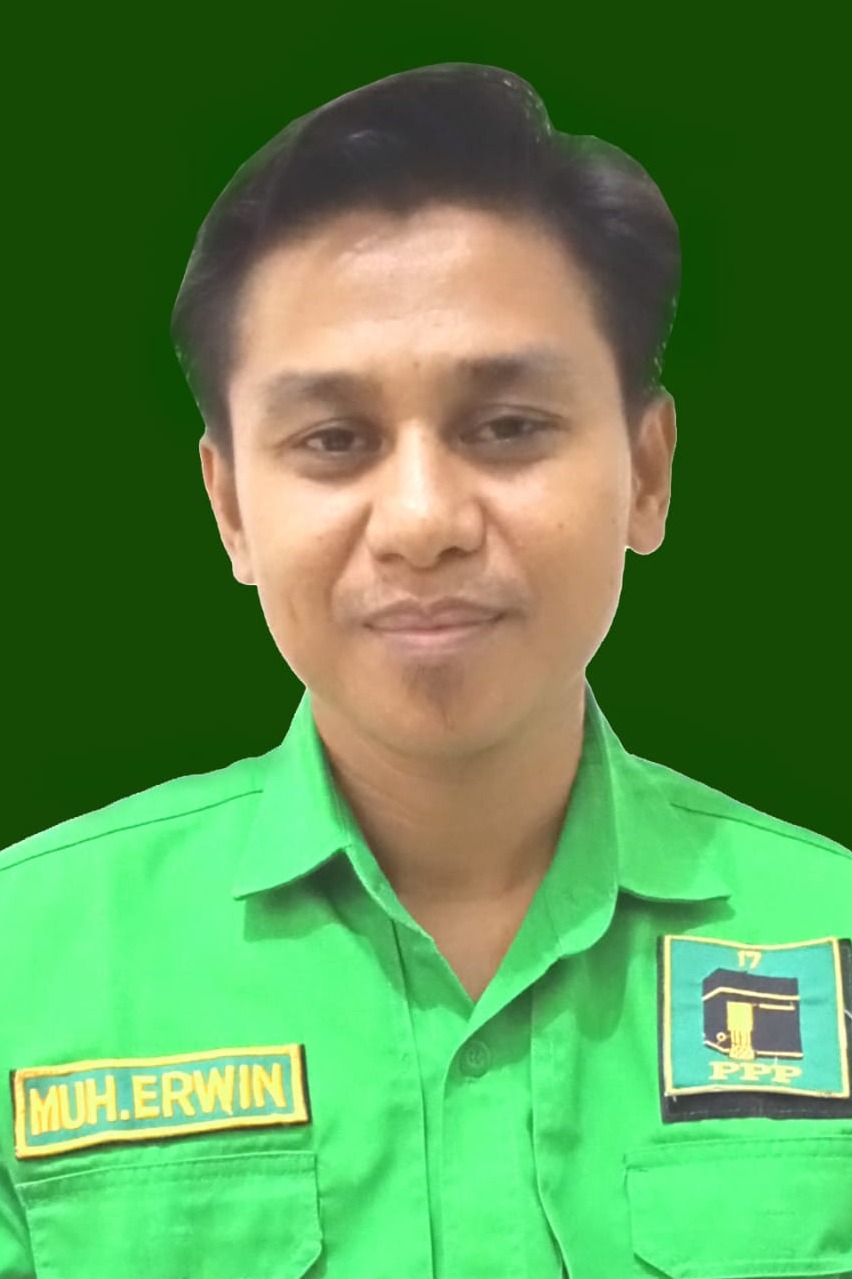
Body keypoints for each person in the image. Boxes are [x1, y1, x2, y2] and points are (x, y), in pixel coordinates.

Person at [1, 61, 850, 1279]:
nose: (422, 521)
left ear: (648, 472)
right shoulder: (26, 964)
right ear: (232, 508)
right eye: (334, 439)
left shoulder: (832, 935)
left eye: (507, 426)